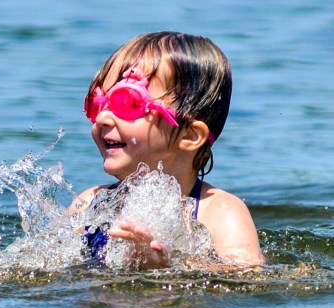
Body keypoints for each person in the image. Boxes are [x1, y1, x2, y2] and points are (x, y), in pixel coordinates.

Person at [68, 31, 265, 269]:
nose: (104, 118)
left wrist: (168, 269)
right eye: (98, 103)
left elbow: (247, 275)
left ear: (190, 136)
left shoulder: (219, 211)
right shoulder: (89, 202)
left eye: (127, 102)